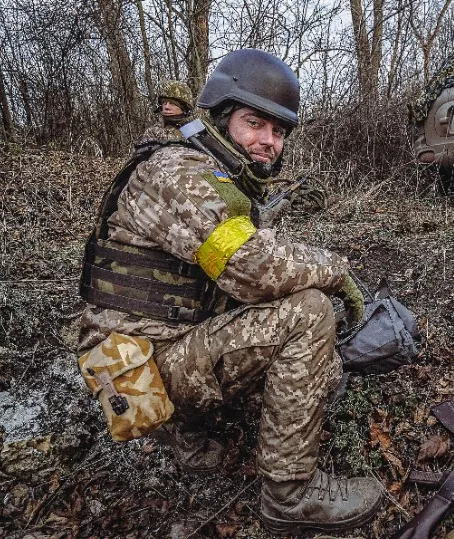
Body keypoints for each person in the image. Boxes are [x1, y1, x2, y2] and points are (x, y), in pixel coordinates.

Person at [77, 49, 381, 534]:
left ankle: (189, 435)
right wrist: (335, 269)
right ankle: (290, 496)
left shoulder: (215, 173)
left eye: (279, 132)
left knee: (290, 321)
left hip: (150, 349)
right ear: (220, 117)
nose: (268, 142)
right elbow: (252, 268)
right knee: (309, 311)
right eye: (255, 123)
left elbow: (246, 248)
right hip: (139, 375)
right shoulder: (179, 173)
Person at [138, 80, 195, 144]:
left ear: (184, 108)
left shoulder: (195, 128)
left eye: (172, 104)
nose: (166, 107)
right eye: (164, 103)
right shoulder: (153, 131)